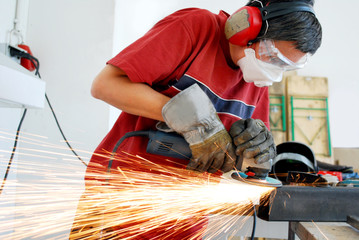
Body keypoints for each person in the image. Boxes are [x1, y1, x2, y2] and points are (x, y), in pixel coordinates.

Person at [70, 0, 322, 239]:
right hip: (118, 207)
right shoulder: (195, 28)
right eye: (273, 55)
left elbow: (242, 165)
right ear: (247, 27)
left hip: (186, 220)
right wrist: (194, 119)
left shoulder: (256, 76)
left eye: (285, 66)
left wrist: (255, 152)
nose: (274, 71)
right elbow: (105, 85)